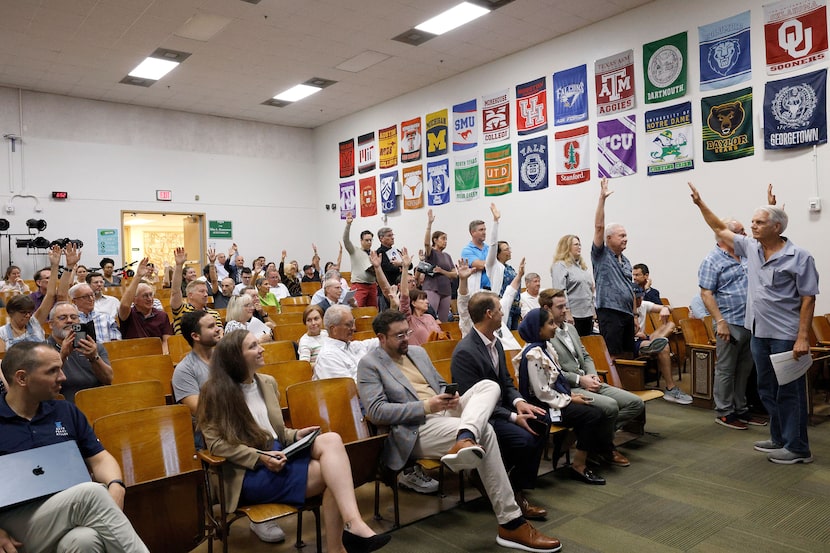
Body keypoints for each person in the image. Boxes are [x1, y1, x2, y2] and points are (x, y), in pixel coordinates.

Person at [357, 310, 562, 553]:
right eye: (399, 335)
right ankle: (511, 522)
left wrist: (449, 394)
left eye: (407, 332)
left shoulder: (417, 352)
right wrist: (427, 405)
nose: (406, 339)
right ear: (381, 338)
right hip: (415, 428)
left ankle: (465, 436)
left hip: (445, 413)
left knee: (489, 386)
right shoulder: (369, 365)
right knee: (484, 430)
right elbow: (377, 412)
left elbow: (439, 384)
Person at [197, 330, 391, 553]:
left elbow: (275, 431)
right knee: (333, 478)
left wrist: (295, 435)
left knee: (331, 440)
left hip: (279, 453)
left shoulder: (267, 383)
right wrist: (260, 457)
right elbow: (216, 445)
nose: (261, 348)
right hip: (248, 471)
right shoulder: (213, 392)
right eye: (252, 346)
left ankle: (353, 525)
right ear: (235, 358)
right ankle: (340, 544)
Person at [689, 182, 819, 464]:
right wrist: (701, 204)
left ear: (777, 228)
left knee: (789, 392)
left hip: (786, 335)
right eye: (752, 222)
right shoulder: (753, 250)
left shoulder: (800, 257)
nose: (753, 227)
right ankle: (780, 438)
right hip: (758, 332)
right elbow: (719, 229)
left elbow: (808, 299)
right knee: (767, 390)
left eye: (759, 223)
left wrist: (803, 337)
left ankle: (798, 448)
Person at [0, 342, 149, 552]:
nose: (63, 377)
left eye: (60, 368)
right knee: (91, 494)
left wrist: (116, 485)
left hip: (65, 512)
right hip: (15, 524)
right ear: (22, 378)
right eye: (53, 371)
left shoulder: (65, 411)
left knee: (84, 540)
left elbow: (100, 458)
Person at [451, 289, 548, 520]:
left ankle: (514, 486)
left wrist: (519, 402)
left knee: (541, 421)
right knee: (524, 439)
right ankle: (512, 493)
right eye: (499, 309)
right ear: (488, 314)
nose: (503, 312)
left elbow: (505, 381)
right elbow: (474, 402)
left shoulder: (496, 342)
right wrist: (513, 417)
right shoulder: (465, 352)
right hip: (483, 417)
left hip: (502, 408)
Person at [538, 289, 639, 465]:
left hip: (588, 380)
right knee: (611, 406)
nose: (565, 310)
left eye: (565, 306)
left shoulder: (570, 328)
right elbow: (554, 371)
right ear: (547, 308)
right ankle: (606, 447)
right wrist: (580, 380)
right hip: (570, 387)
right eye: (560, 307)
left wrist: (591, 374)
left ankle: (594, 441)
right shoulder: (544, 334)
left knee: (635, 403)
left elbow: (585, 355)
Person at [517, 308, 610, 484]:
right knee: (593, 415)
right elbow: (542, 392)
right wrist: (570, 399)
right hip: (542, 407)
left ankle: (564, 444)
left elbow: (554, 381)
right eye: (550, 323)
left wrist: (570, 394)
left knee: (593, 411)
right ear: (538, 329)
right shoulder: (533, 355)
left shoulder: (544, 348)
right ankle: (578, 465)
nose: (554, 327)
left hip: (553, 400)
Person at [698, 216, 761, 429]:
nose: (746, 234)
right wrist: (720, 321)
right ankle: (724, 412)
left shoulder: (744, 254)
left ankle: (741, 408)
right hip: (729, 323)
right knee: (726, 369)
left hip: (750, 322)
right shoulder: (712, 260)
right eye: (741, 231)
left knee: (745, 368)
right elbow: (706, 294)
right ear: (727, 235)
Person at [591, 178, 635, 357]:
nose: (625, 238)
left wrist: (635, 315)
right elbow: (599, 227)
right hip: (610, 313)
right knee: (614, 356)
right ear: (609, 239)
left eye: (626, 235)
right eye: (621, 235)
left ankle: (628, 386)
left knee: (629, 355)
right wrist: (602, 199)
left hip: (627, 314)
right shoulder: (601, 255)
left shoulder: (626, 261)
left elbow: (629, 289)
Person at [0, 245, 65, 349]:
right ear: (11, 312)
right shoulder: (2, 333)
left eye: (30, 312)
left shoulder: (35, 322)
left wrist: (54, 267)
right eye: (23, 312)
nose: (28, 316)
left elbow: (50, 294)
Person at [634, 290, 692, 404]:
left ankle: (655, 344)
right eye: (636, 299)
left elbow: (670, 308)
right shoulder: (623, 308)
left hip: (645, 338)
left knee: (670, 324)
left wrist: (665, 308)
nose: (639, 301)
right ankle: (670, 387)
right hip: (633, 341)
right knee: (664, 346)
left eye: (641, 298)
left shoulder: (644, 304)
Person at [47, 302, 113, 403]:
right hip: (63, 405)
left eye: (74, 317)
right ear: (51, 324)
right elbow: (45, 384)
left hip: (97, 403)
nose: (69, 321)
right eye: (62, 318)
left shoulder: (93, 347)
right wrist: (62, 355)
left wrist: (94, 357)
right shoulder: (42, 350)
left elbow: (108, 379)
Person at [118, 258, 174, 354]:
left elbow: (167, 341)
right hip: (133, 356)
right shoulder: (129, 314)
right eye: (145, 296)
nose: (149, 299)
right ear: (134, 300)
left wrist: (163, 357)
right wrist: (138, 276)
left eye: (150, 295)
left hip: (157, 355)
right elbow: (124, 305)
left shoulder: (162, 315)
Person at [314, 305, 379, 382]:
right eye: (349, 325)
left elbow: (379, 342)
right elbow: (349, 388)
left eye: (353, 324)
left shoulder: (352, 345)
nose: (354, 328)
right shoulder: (327, 357)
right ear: (333, 329)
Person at [171, 247, 223, 335]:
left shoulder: (214, 313)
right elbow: (175, 291)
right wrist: (179, 266)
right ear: (190, 295)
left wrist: (212, 264)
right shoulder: (181, 310)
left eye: (206, 291)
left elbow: (220, 334)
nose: (206, 294)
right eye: (201, 291)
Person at [485, 204, 521, 330]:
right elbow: (493, 244)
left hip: (515, 308)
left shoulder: (509, 268)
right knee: (506, 337)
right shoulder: (493, 266)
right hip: (503, 306)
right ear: (498, 253)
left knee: (516, 340)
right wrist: (496, 221)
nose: (509, 251)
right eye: (506, 249)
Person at [552, 234, 596, 336]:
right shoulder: (560, 266)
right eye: (576, 244)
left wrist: (593, 311)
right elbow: (560, 291)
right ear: (567, 247)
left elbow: (589, 291)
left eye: (580, 244)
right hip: (573, 314)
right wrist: (566, 311)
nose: (579, 247)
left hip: (587, 314)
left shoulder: (582, 268)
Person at [398, 248, 443, 346]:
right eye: (422, 299)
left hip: (438, 353)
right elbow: (405, 295)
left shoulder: (430, 317)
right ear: (413, 303)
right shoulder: (408, 319)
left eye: (426, 299)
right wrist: (405, 268)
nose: (427, 301)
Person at [422, 209, 456, 322]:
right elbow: (426, 243)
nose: (445, 241)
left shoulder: (447, 256)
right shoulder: (431, 252)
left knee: (444, 321)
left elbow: (454, 274)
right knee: (430, 318)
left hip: (446, 290)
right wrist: (429, 224)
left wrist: (442, 271)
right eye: (443, 239)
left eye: (446, 239)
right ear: (435, 240)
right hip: (432, 288)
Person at [343, 212, 378, 308]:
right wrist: (348, 225)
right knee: (357, 309)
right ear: (361, 241)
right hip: (359, 285)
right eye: (366, 240)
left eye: (371, 240)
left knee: (373, 311)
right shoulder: (354, 251)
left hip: (372, 285)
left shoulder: (373, 254)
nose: (369, 242)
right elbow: (346, 240)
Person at [460, 217, 490, 293]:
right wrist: (493, 263)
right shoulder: (467, 250)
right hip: (477, 291)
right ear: (473, 232)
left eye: (484, 229)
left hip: (493, 289)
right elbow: (480, 265)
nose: (484, 232)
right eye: (481, 230)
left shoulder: (489, 248)